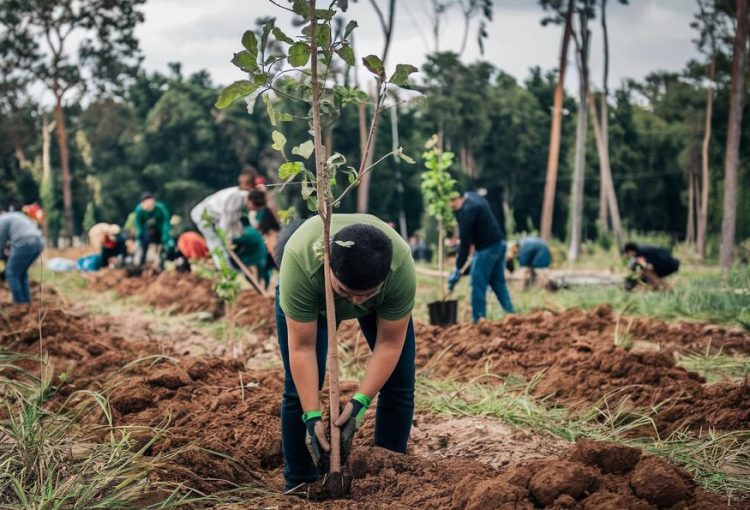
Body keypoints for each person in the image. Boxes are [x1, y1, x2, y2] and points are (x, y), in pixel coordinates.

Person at [277, 214, 416, 493]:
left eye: (366, 295)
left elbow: (389, 344)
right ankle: (300, 482)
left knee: (399, 383)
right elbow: (301, 348)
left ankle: (387, 471)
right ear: (328, 265)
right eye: (345, 291)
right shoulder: (301, 264)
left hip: (378, 295)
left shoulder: (400, 269)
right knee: (299, 389)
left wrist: (360, 402)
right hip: (314, 298)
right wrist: (312, 416)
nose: (355, 302)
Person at [447, 191, 514, 322]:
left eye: (451, 203)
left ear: (455, 200)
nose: (450, 207)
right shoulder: (471, 197)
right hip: (499, 244)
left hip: (487, 248)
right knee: (497, 282)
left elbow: (465, 244)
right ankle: (512, 314)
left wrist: (458, 268)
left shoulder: (466, 212)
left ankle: (478, 321)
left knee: (477, 283)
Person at [190, 167, 261, 269]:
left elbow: (235, 219)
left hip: (215, 218)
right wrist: (227, 240)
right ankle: (226, 272)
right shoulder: (234, 196)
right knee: (216, 244)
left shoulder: (244, 194)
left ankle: (227, 269)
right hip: (203, 216)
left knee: (222, 243)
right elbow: (226, 221)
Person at [0, 211, 44, 304]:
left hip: (25, 242)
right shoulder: (14, 215)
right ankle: (26, 303)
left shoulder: (2, 220)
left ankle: (18, 304)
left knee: (11, 273)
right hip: (38, 242)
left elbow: (1, 243)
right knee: (21, 274)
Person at [133, 192, 171, 269]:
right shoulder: (139, 210)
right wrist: (139, 236)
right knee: (144, 245)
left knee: (165, 247)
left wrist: (165, 234)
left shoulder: (160, 208)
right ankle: (141, 264)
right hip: (147, 231)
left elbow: (165, 222)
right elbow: (138, 224)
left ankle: (162, 264)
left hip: (160, 230)